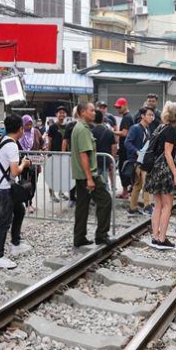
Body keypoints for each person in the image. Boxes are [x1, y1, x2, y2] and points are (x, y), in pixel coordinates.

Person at [0, 114, 33, 269]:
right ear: (20, 129)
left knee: (19, 210)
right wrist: (23, 164)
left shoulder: (2, 140)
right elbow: (15, 172)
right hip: (4, 188)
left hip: (3, 185)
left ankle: (16, 243)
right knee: (4, 222)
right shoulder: (12, 145)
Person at [71, 102, 112, 248]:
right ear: (82, 112)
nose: (94, 113)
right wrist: (90, 178)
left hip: (81, 175)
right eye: (91, 110)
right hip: (87, 175)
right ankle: (101, 235)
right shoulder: (82, 129)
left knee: (82, 206)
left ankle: (79, 237)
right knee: (106, 200)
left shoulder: (81, 127)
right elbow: (84, 155)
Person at [145, 102, 176, 250]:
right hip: (164, 170)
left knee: (158, 205)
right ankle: (162, 239)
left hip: (154, 169)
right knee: (167, 205)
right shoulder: (171, 130)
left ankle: (155, 236)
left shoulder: (160, 127)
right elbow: (167, 153)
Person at [125, 107, 153, 216]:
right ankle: (147, 206)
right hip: (137, 161)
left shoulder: (147, 129)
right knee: (145, 183)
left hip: (143, 160)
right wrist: (136, 151)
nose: (151, 117)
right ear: (142, 116)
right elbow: (127, 142)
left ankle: (132, 208)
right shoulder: (135, 128)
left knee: (138, 185)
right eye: (149, 115)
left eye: (152, 115)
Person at [19, 115, 43, 213]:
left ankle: (30, 202)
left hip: (35, 162)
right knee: (25, 183)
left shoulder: (36, 132)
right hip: (23, 162)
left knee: (34, 183)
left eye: (30, 124)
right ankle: (27, 204)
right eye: (26, 124)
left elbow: (42, 143)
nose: (29, 126)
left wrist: (43, 148)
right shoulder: (20, 133)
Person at [91, 110, 117, 193]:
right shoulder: (109, 132)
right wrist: (112, 159)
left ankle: (93, 200)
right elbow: (114, 146)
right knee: (104, 181)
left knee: (93, 180)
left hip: (93, 161)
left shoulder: (90, 132)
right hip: (105, 160)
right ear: (102, 120)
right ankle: (104, 199)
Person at [46, 106, 68, 202]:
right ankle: (52, 195)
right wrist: (48, 153)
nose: (62, 114)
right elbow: (50, 141)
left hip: (65, 155)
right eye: (60, 112)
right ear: (56, 115)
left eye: (63, 112)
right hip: (54, 154)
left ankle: (61, 193)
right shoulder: (52, 127)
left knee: (63, 175)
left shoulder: (67, 126)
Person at [114, 98, 134, 200]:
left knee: (124, 170)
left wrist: (112, 131)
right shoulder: (128, 117)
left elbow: (124, 133)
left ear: (125, 105)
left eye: (119, 107)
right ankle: (127, 191)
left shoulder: (127, 117)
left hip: (125, 150)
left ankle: (125, 192)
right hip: (126, 149)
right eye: (117, 107)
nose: (118, 109)